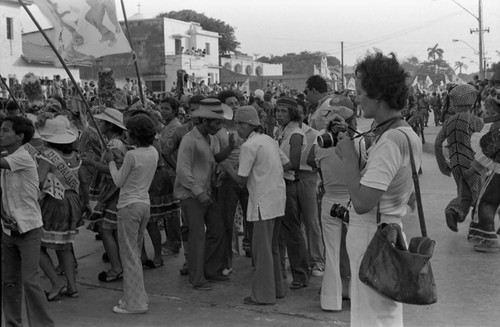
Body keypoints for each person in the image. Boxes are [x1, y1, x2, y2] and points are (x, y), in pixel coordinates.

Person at [335, 52, 422, 327]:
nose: (357, 98)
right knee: (384, 315)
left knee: (371, 318)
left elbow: (361, 202)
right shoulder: (407, 133)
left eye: (360, 92)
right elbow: (408, 198)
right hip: (390, 231)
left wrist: (349, 158)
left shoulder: (389, 141)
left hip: (373, 236)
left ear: (378, 94)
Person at [220, 106, 288, 305]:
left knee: (262, 251)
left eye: (242, 124)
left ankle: (263, 295)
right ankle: (277, 289)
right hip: (276, 199)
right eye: (237, 123)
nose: (238, 128)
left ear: (251, 125)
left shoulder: (249, 146)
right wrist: (268, 174)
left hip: (262, 203)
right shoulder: (269, 140)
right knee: (272, 248)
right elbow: (287, 163)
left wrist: (226, 167)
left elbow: (241, 180)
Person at [307, 96, 361, 311]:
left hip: (329, 199)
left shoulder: (320, 141)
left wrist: (323, 173)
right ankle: (355, 293)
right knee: (355, 250)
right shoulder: (356, 142)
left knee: (331, 251)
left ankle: (331, 299)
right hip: (352, 201)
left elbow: (311, 160)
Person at [1, 115, 55, 327]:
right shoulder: (9, 155)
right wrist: (2, 213)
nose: (1, 133)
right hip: (8, 230)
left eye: (6, 130)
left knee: (30, 281)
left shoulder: (22, 156)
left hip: (29, 229)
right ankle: (13, 322)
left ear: (20, 136)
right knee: (9, 281)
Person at [173, 99, 229, 291]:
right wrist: (199, 192)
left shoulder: (210, 139)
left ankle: (209, 270)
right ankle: (197, 278)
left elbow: (211, 161)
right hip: (191, 195)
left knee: (217, 230)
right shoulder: (189, 140)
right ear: (205, 121)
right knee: (197, 236)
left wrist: (217, 173)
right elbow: (182, 171)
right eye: (216, 123)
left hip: (206, 192)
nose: (219, 127)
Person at [105, 114, 158, 314]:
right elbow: (136, 170)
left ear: (135, 135)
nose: (126, 135)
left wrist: (111, 162)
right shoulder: (152, 152)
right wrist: (120, 159)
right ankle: (135, 297)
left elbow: (118, 181)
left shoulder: (132, 155)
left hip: (128, 206)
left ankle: (135, 303)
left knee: (129, 256)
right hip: (144, 204)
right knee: (134, 253)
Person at [36, 115, 89, 300]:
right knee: (65, 246)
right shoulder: (75, 156)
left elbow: (40, 181)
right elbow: (83, 181)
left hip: (54, 203)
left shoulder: (48, 156)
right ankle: (72, 287)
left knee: (37, 245)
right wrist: (86, 202)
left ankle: (56, 284)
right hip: (72, 201)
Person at [82, 108, 128, 282]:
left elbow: (113, 170)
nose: (98, 124)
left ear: (110, 125)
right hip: (112, 191)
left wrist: (92, 163)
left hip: (113, 192)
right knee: (112, 229)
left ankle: (116, 268)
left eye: (101, 122)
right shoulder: (113, 141)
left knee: (105, 229)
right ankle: (120, 264)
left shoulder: (114, 144)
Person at [435, 84, 484, 232]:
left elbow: (437, 143)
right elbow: (485, 144)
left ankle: (454, 212)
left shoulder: (449, 121)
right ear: (472, 102)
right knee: (480, 195)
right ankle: (479, 228)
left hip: (456, 163)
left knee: (464, 193)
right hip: (472, 163)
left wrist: (443, 165)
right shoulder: (475, 121)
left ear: (454, 104)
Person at [275, 96, 310, 290]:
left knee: (293, 231)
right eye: (277, 111)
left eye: (283, 111)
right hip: (279, 183)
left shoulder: (296, 134)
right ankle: (282, 270)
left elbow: (294, 164)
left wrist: (273, 169)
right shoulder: (280, 131)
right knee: (281, 230)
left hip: (289, 184)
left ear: (292, 113)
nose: (279, 114)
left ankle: (301, 274)